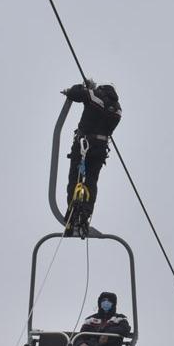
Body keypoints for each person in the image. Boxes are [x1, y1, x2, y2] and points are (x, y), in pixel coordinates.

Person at [62, 81, 121, 234]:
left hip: (84, 144)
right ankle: (85, 214)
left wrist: (83, 86)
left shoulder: (95, 96)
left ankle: (72, 215)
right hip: (100, 149)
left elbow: (74, 94)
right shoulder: (117, 109)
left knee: (75, 178)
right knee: (91, 181)